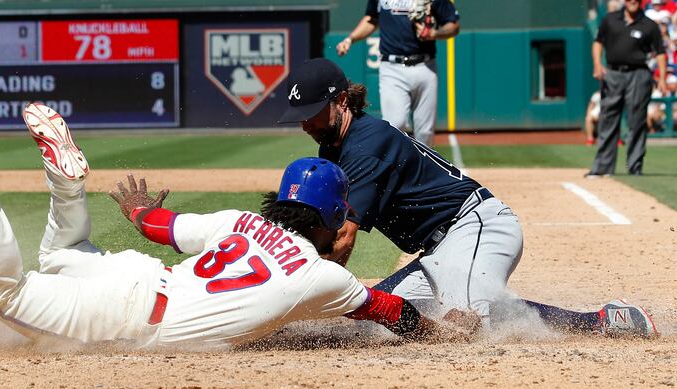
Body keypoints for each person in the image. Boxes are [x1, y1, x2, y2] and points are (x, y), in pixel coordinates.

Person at [0, 103, 480, 351]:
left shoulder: (243, 222)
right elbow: (388, 310)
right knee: (5, 295)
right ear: (333, 219)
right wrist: (441, 331)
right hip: (129, 316)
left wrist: (142, 213)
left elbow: (162, 227)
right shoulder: (322, 276)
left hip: (133, 273)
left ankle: (68, 184)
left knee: (65, 253)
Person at [278, 57, 658, 338]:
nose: (305, 123)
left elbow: (342, 238)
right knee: (375, 322)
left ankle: (602, 321)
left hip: (476, 225)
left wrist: (301, 295)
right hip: (440, 253)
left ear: (342, 100)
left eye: (312, 113)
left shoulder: (364, 146)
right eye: (300, 115)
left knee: (467, 325)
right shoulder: (334, 147)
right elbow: (321, 231)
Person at [335, 0, 460, 146]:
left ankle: (421, 167)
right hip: (392, 67)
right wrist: (351, 39)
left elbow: (453, 26)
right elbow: (372, 19)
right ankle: (397, 166)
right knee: (395, 123)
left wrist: (434, 33)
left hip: (425, 66)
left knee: (425, 132)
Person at [588, 0, 667, 177]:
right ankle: (602, 167)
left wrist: (661, 78)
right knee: (608, 119)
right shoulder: (610, 19)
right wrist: (597, 64)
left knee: (637, 121)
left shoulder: (649, 25)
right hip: (614, 73)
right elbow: (598, 42)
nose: (633, 1)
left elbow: (660, 52)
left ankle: (634, 168)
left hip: (639, 74)